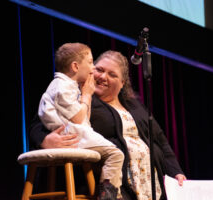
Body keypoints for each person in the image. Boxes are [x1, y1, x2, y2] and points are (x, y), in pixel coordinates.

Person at [30, 50, 186, 200]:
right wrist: (44, 140)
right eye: (99, 69)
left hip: (151, 184)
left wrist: (176, 172)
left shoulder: (135, 106)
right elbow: (40, 119)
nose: (103, 76)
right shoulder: (74, 95)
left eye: (112, 75)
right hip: (109, 182)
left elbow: (160, 140)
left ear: (122, 83)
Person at [37, 43, 124, 200]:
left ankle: (110, 194)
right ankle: (107, 196)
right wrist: (86, 96)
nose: (92, 68)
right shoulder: (61, 86)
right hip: (71, 136)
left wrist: (87, 94)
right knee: (115, 154)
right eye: (91, 63)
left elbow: (84, 118)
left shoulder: (71, 86)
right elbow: (78, 119)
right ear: (75, 66)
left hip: (77, 133)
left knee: (114, 154)